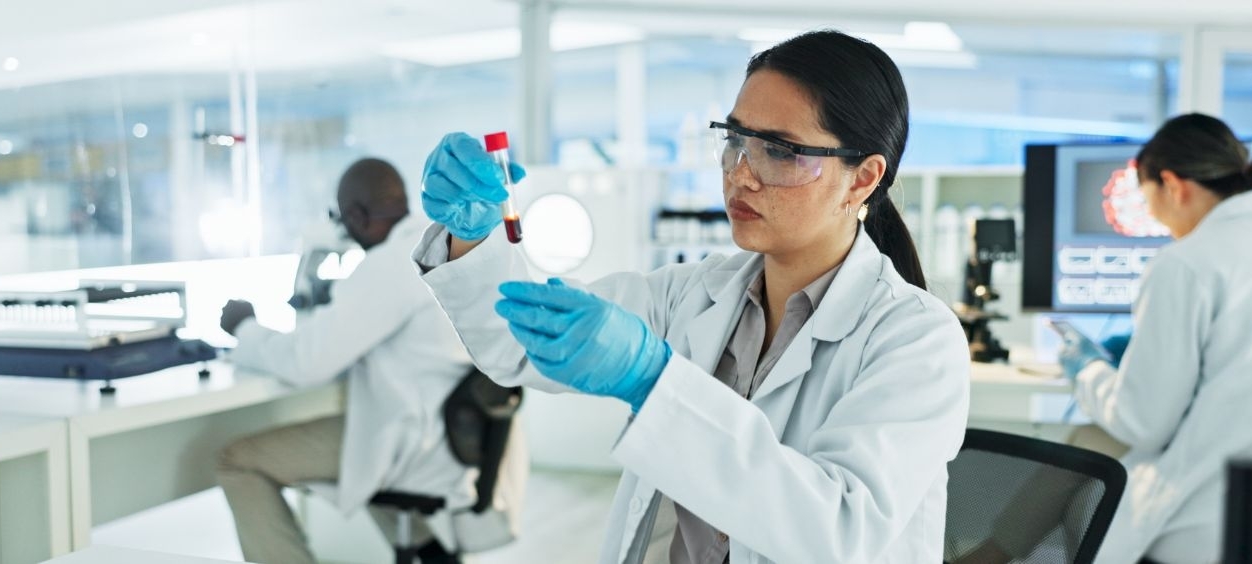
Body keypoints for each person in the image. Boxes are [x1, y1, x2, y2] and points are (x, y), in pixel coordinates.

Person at [413, 30, 970, 562]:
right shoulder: (694, 292)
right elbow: (517, 345)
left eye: (780, 151)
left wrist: (653, 383)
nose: (742, 175)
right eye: (735, 141)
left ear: (862, 178)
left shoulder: (917, 340)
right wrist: (473, 235)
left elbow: (839, 532)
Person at [1055, 113, 1252, 562]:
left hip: (1218, 524)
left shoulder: (1186, 262)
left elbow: (1143, 421)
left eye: (1148, 201)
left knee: (1076, 474)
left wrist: (1088, 370)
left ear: (1174, 185)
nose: (1156, 220)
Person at [215, 158, 526, 564]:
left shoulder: (390, 264)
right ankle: (433, 555)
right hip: (455, 436)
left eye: (342, 219)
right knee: (367, 455)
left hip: (413, 443)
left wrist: (245, 328)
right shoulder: (440, 244)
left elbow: (307, 361)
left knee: (238, 461)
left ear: (358, 215)